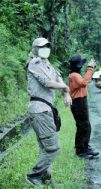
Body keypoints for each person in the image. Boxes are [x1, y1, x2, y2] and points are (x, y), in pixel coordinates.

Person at [26, 37, 72, 187]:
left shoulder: (47, 64)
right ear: (34, 49)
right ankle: (34, 175)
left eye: (47, 46)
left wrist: (66, 93)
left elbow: (59, 78)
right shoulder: (35, 63)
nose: (45, 48)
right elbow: (47, 83)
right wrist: (64, 88)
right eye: (41, 46)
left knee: (45, 148)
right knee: (53, 147)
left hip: (46, 109)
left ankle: (47, 180)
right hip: (40, 110)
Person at [68, 55, 99, 158]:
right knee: (83, 126)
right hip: (78, 102)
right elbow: (84, 83)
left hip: (80, 102)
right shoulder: (74, 75)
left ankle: (85, 147)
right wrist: (90, 68)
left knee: (85, 125)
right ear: (79, 66)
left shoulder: (74, 74)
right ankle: (80, 150)